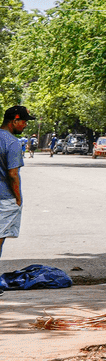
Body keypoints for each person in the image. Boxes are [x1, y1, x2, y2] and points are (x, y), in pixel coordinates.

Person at [0, 106, 27, 259]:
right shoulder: (12, 142)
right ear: (15, 121)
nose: (25, 125)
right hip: (3, 198)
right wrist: (18, 198)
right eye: (24, 122)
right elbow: (12, 174)